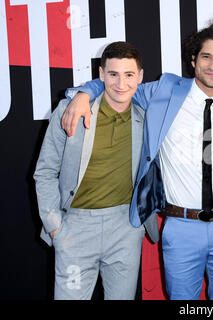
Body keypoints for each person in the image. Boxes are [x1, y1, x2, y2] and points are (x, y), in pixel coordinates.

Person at [60, 20, 213, 300]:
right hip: (181, 226)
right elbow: (119, 85)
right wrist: (85, 93)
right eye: (207, 56)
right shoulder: (165, 91)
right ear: (194, 59)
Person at [33, 42, 146, 299]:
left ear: (139, 76)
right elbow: (45, 171)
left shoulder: (146, 114)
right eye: (113, 74)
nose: (121, 83)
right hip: (75, 229)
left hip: (125, 229)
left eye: (129, 75)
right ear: (101, 74)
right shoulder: (70, 110)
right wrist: (55, 228)